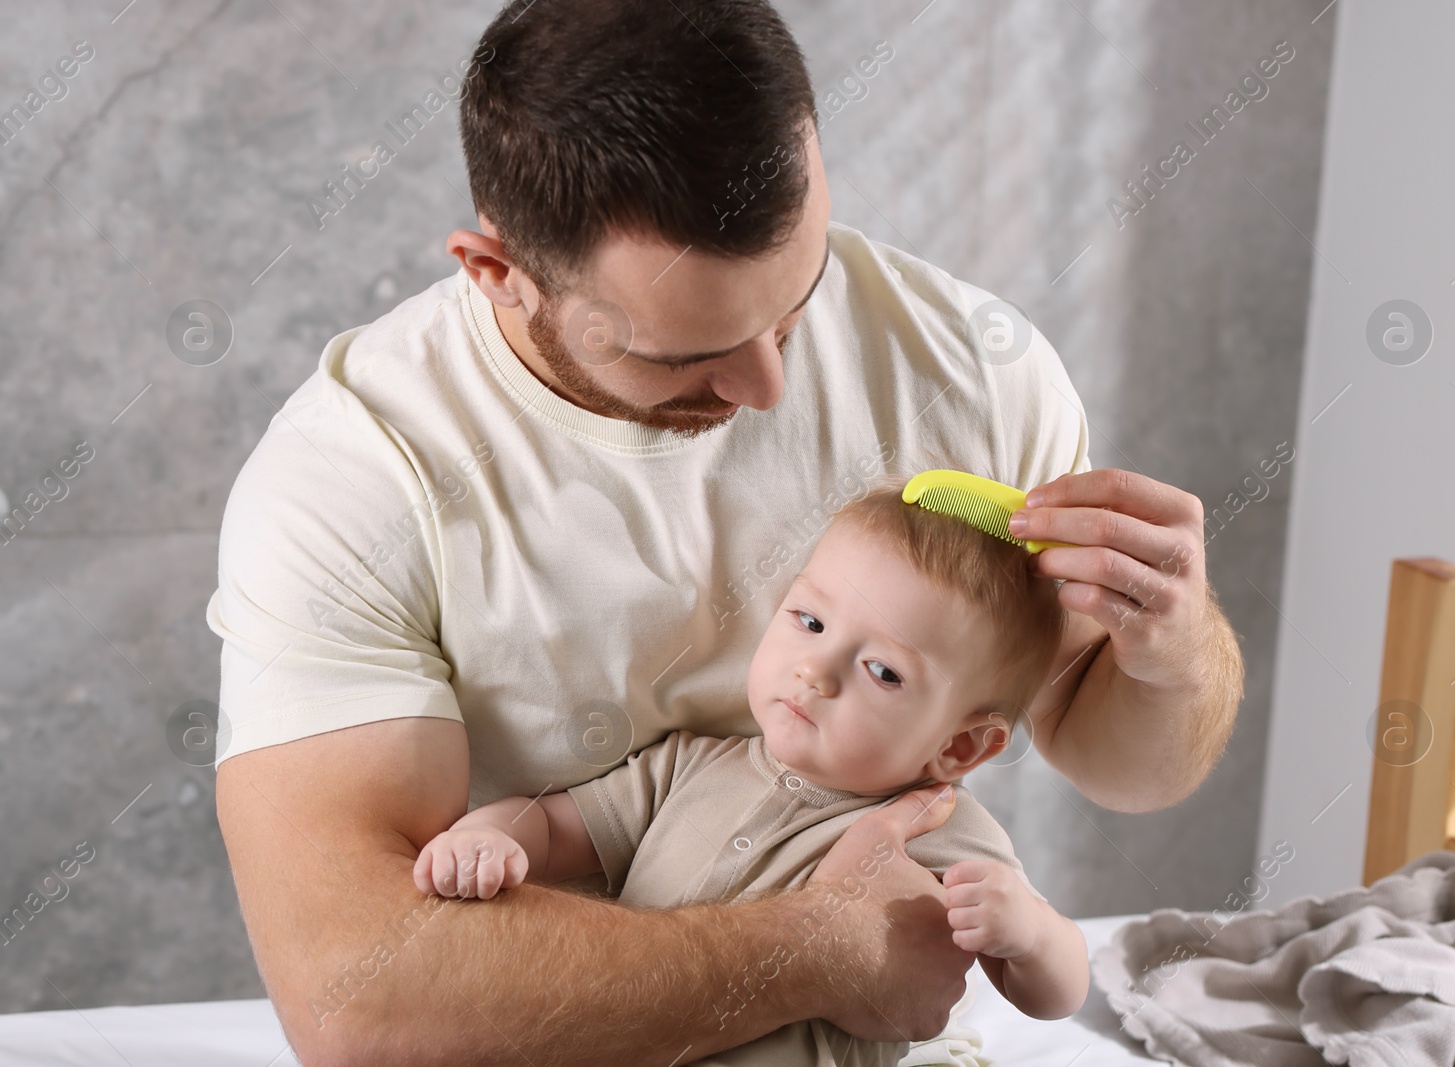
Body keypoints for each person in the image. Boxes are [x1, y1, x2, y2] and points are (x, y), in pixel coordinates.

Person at [208, 2, 1243, 1065]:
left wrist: (1167, 653)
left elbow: (1124, 766)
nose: (767, 383)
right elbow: (360, 1000)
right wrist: (813, 952)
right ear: (497, 271)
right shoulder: (355, 478)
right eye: (684, 354)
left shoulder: (972, 372)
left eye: (796, 306)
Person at [413, 484, 1092, 1065]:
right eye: (810, 620)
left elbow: (1059, 992)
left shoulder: (940, 828)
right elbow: (559, 826)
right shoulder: (690, 764)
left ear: (961, 746)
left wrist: (1029, 933)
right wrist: (493, 838)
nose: (815, 670)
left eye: (883, 670)